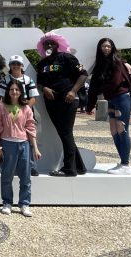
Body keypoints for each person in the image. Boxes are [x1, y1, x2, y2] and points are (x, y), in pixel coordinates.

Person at [36, 32, 88, 177]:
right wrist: (44, 88)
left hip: (68, 99)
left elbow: (83, 73)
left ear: (58, 45)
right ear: (43, 46)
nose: (49, 45)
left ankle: (69, 169)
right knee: (64, 134)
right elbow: (39, 81)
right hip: (51, 102)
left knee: (66, 133)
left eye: (52, 43)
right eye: (46, 43)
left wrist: (73, 91)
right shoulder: (42, 63)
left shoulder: (67, 57)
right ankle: (79, 166)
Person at [0, 79, 41, 217]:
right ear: (8, 91)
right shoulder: (1, 107)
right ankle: (7, 202)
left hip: (23, 144)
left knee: (26, 177)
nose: (14, 92)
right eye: (11, 89)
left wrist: (35, 148)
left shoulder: (26, 108)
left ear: (21, 92)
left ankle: (24, 203)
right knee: (7, 176)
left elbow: (30, 128)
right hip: (7, 144)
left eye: (17, 90)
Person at [87, 38, 131, 175]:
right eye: (103, 46)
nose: (106, 49)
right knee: (114, 130)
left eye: (108, 46)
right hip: (112, 99)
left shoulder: (118, 63)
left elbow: (114, 83)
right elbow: (93, 86)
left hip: (122, 98)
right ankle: (122, 162)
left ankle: (126, 164)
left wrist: (101, 89)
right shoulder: (100, 65)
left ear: (112, 48)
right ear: (99, 48)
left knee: (122, 129)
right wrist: (90, 105)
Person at [0, 55, 40, 176]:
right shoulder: (5, 80)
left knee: (28, 137)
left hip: (25, 111)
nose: (16, 66)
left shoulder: (28, 79)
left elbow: (33, 98)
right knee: (7, 138)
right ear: (10, 66)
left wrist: (24, 109)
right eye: (13, 64)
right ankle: (8, 165)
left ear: (22, 65)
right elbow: (1, 97)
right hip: (8, 111)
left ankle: (30, 166)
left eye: (18, 64)